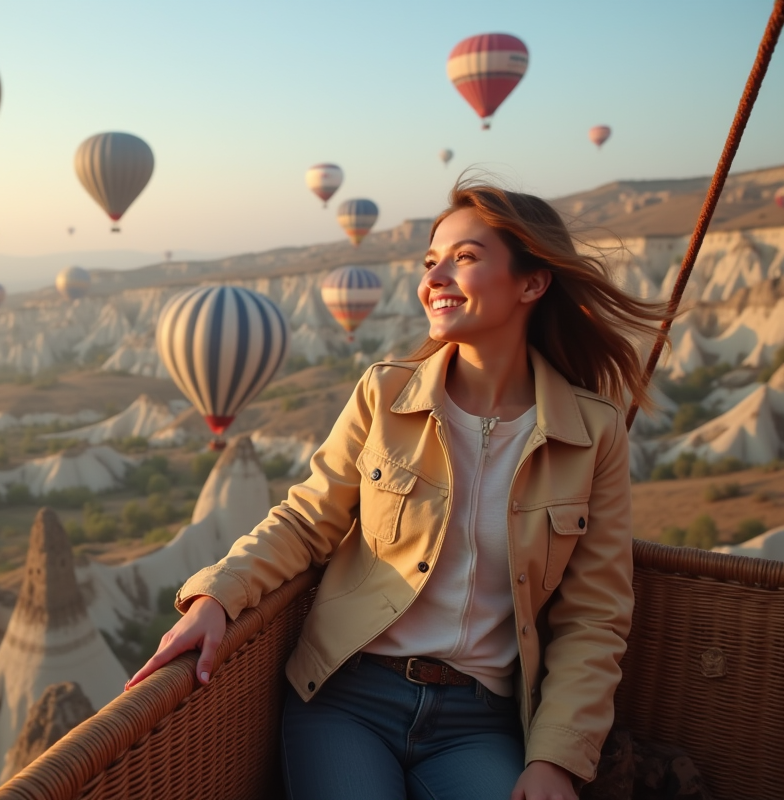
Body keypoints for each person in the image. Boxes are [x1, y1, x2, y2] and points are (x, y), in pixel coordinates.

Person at [127, 179, 670, 800]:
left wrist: (556, 758)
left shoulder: (592, 432)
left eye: (464, 258)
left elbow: (594, 617)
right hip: (348, 698)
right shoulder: (384, 394)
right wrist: (217, 596)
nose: (435, 277)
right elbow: (307, 520)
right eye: (430, 261)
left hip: (482, 720)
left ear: (532, 283)